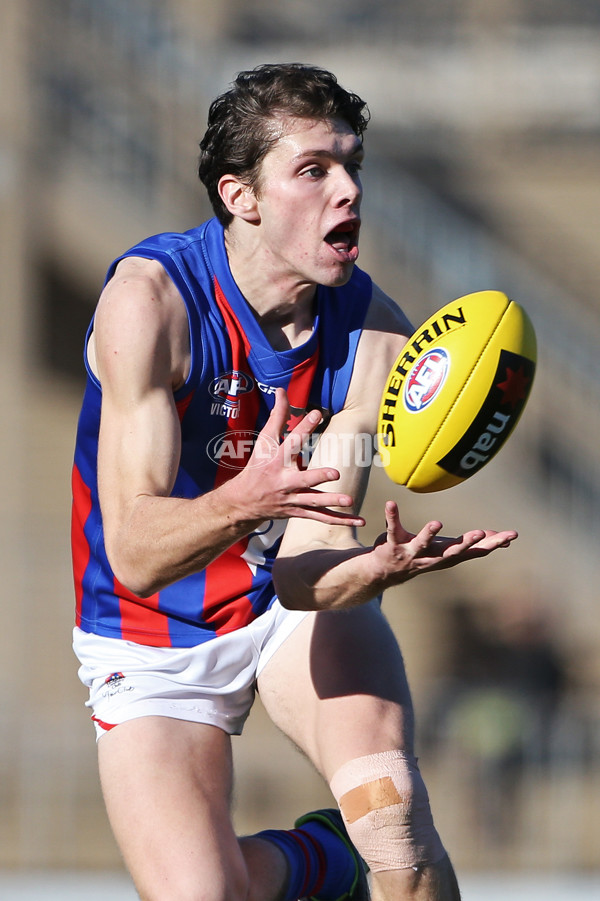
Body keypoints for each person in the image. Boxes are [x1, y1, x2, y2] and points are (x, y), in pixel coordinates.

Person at [71, 62, 518, 901]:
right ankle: (324, 863)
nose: (348, 189)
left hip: (281, 604)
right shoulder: (152, 303)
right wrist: (250, 496)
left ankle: (364, 853)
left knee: (399, 834)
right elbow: (134, 553)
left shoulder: (377, 335)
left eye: (352, 164)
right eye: (314, 169)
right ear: (242, 197)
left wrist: (372, 570)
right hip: (149, 632)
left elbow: (307, 562)